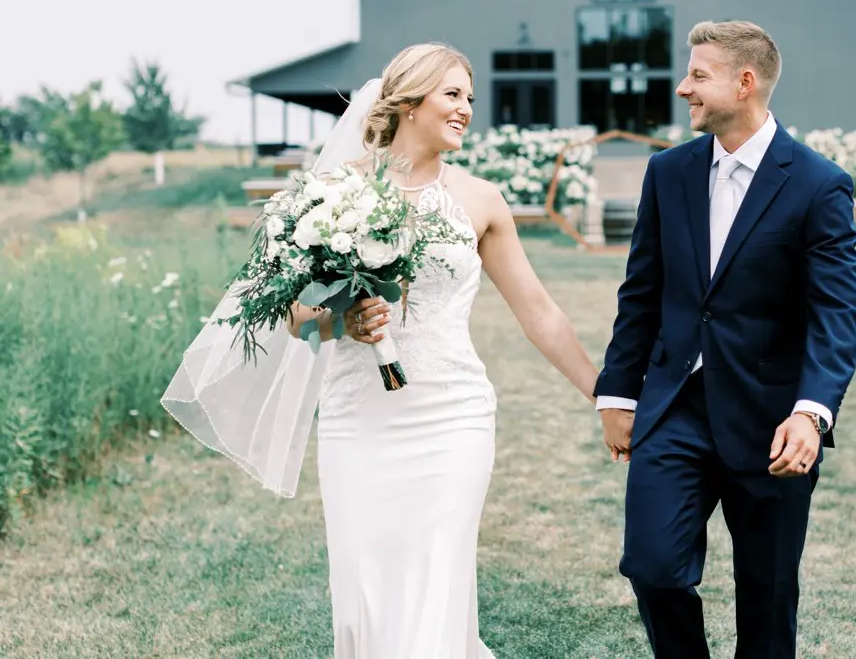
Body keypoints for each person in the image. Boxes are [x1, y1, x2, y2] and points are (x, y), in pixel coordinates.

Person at [163, 42, 598, 659]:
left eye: (470, 97)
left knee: (436, 577)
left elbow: (540, 313)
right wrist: (342, 320)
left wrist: (603, 394)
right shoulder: (331, 194)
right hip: (357, 417)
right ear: (410, 101)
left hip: (452, 415)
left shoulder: (480, 200)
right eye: (453, 94)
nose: (466, 109)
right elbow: (298, 322)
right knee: (366, 587)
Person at [593, 20, 856, 658]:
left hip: (772, 420)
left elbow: (838, 311)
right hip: (675, 409)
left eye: (698, 75)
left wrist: (812, 413)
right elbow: (641, 291)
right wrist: (618, 393)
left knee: (768, 599)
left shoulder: (818, 184)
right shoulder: (668, 172)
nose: (683, 88)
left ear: (745, 83)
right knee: (653, 567)